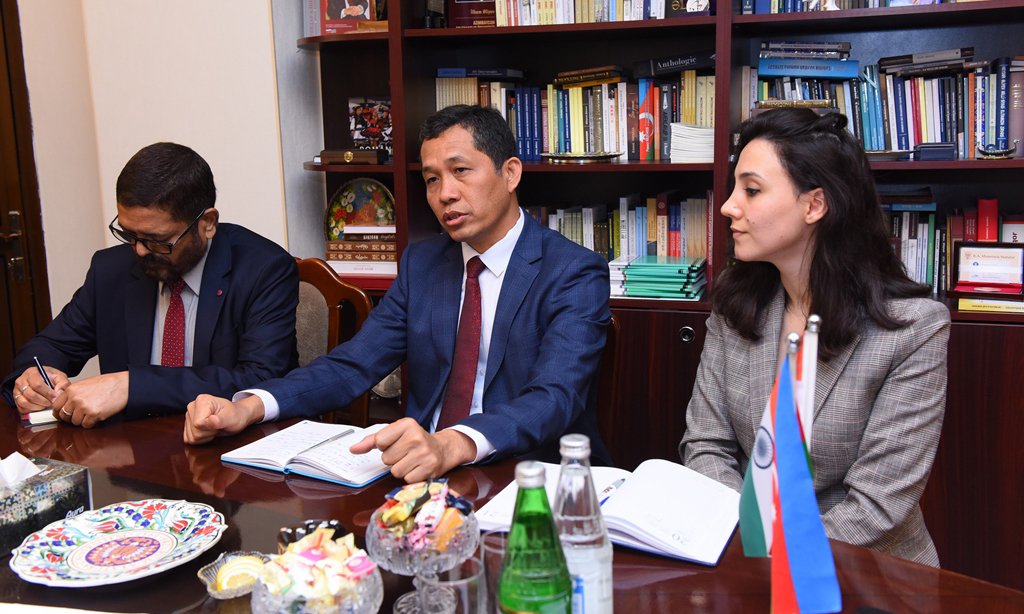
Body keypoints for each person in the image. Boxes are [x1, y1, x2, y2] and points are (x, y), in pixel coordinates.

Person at [184, 105, 612, 482]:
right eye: (431, 179)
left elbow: (555, 396)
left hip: (527, 475)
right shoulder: (423, 264)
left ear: (511, 173)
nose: (445, 194)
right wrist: (251, 406)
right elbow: (353, 364)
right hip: (420, 472)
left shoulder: (573, 271)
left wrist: (452, 443)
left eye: (461, 171)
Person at [680, 108, 950, 566]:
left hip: (867, 571)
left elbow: (875, 509)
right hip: (742, 556)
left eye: (751, 190)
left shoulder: (913, 329)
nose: (728, 206)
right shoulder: (736, 304)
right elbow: (706, 445)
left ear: (815, 205)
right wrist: (746, 543)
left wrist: (768, 552)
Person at [3, 142, 299, 428]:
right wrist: (34, 378)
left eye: (158, 239)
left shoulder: (263, 269)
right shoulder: (111, 270)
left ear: (207, 223)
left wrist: (132, 386)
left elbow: (261, 380)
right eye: (128, 234)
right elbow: (51, 345)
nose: (140, 250)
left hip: (225, 442)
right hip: (131, 443)